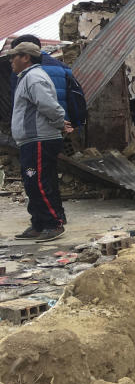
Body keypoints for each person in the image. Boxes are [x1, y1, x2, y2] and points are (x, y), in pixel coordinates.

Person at [6, 41, 72, 241]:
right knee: (34, 181)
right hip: (32, 141)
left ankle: (53, 223)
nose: (10, 61)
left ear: (25, 57)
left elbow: (48, 105)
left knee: (38, 182)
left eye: (14, 56)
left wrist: (60, 122)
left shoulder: (33, 78)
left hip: (39, 141)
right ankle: (39, 223)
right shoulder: (27, 78)